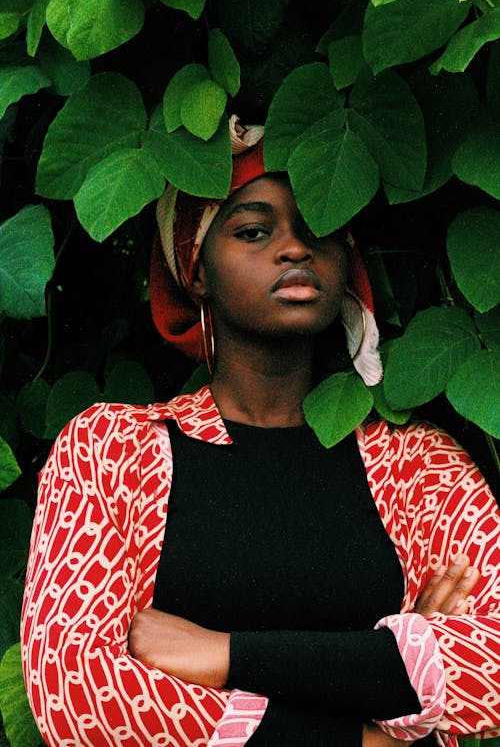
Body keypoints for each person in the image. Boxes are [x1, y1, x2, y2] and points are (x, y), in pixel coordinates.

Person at [21, 118, 500, 747]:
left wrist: (223, 654)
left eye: (317, 229)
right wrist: (373, 719)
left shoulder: (415, 464)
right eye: (253, 230)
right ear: (195, 269)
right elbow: (75, 689)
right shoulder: (114, 450)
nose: (296, 249)